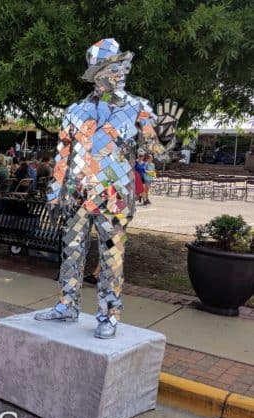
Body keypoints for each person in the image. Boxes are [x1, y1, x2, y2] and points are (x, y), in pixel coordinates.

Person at [34, 38, 169, 339]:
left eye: (123, 65)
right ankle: (68, 304)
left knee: (111, 256)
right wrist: (56, 191)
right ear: (97, 74)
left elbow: (156, 152)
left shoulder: (138, 108)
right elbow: (63, 154)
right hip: (78, 194)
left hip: (114, 197)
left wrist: (161, 140)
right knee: (71, 252)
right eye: (114, 66)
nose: (122, 71)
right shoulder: (75, 111)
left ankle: (109, 314)